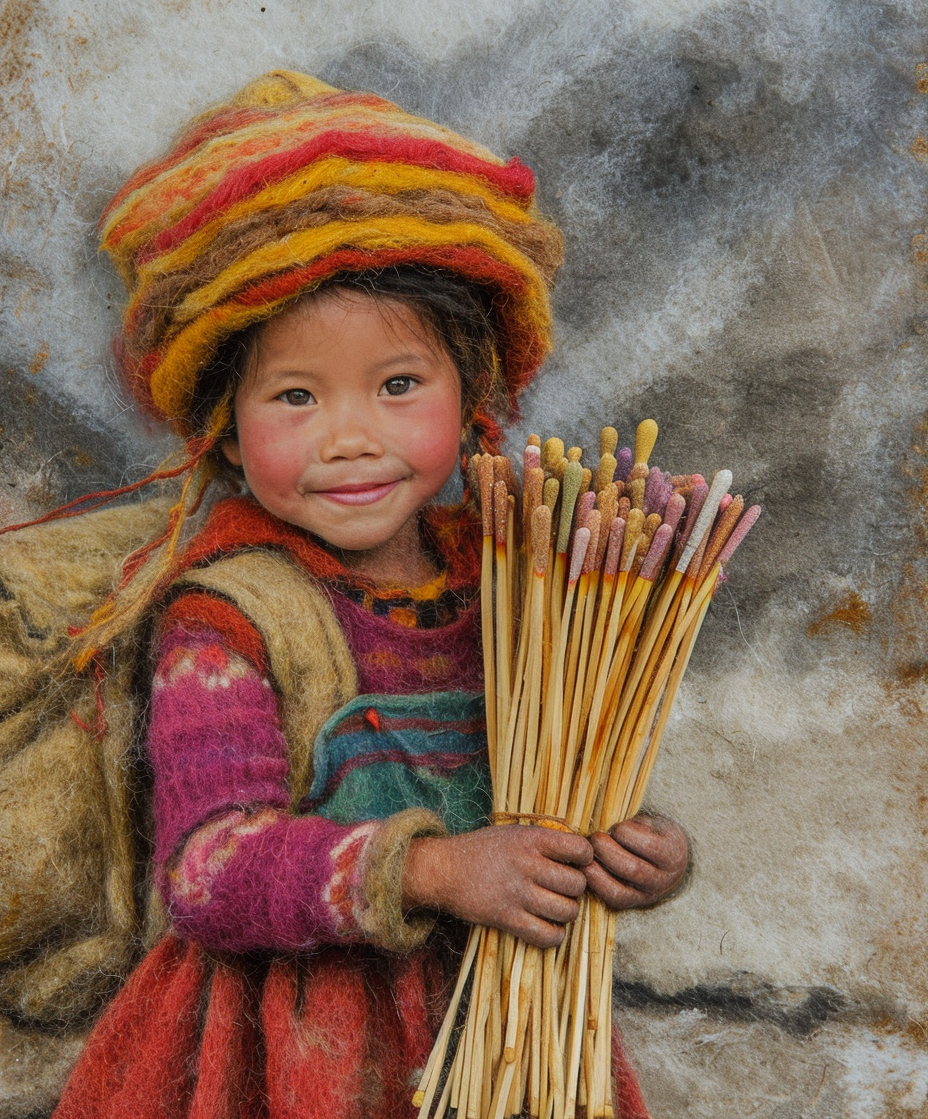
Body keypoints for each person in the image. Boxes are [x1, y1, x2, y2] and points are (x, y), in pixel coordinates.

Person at [47, 70, 688, 1118]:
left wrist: (625, 848)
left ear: (473, 392)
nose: (351, 435)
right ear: (222, 421)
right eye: (295, 395)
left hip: (510, 1023)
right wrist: (435, 869)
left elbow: (555, 782)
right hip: (287, 1053)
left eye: (398, 385)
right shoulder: (229, 616)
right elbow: (207, 869)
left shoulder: (514, 583)